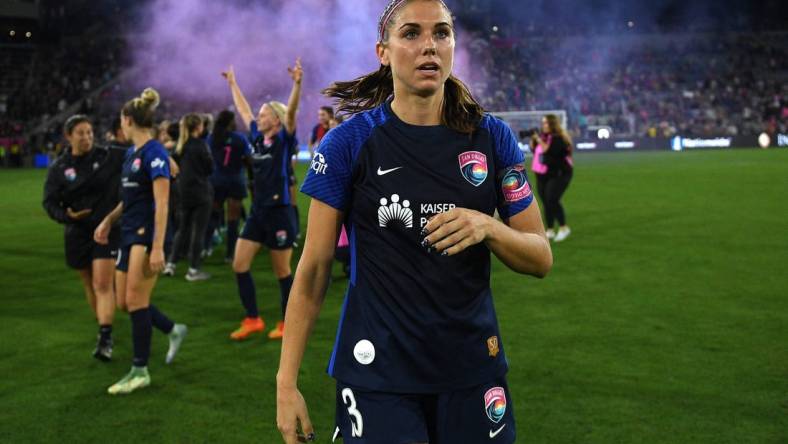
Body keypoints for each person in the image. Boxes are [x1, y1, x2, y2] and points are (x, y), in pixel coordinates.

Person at [275, 1, 553, 443]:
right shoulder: (348, 143)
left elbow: (540, 256)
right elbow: (312, 272)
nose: (429, 46)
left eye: (441, 33)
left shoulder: (492, 137)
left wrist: (489, 227)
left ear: (453, 45)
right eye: (411, 34)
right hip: (377, 376)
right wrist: (285, 384)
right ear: (382, 51)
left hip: (472, 371)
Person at [95, 88, 187, 395]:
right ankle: (173, 329)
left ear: (128, 120)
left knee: (135, 301)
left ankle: (140, 370)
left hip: (148, 236)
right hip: (129, 231)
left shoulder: (154, 153)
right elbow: (130, 199)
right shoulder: (132, 155)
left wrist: (158, 246)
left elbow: (162, 203)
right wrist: (109, 220)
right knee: (124, 302)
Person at [222, 60, 302, 341]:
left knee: (282, 271)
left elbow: (292, 114)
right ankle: (253, 318)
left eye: (264, 113)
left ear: (276, 120)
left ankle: (288, 323)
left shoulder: (284, 140)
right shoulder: (257, 139)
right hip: (257, 212)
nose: (259, 116)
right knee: (239, 264)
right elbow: (243, 111)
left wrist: (297, 84)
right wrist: (233, 83)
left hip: (280, 212)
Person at [42, 115, 125, 361]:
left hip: (106, 230)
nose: (87, 137)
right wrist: (67, 216)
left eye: (89, 132)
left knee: (102, 284)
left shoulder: (108, 156)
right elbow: (49, 202)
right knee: (90, 283)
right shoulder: (59, 168)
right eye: (81, 133)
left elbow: (139, 151)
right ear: (68, 136)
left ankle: (105, 338)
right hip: (77, 233)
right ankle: (103, 323)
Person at [163, 113, 214, 281]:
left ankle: (171, 264)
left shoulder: (180, 146)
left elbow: (171, 161)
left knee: (182, 229)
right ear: (198, 127)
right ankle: (193, 270)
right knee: (197, 232)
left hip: (183, 193)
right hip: (201, 193)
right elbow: (209, 169)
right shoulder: (201, 145)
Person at [207, 110, 253, 262]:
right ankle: (230, 253)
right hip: (235, 180)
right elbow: (248, 159)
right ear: (229, 122)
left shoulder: (211, 138)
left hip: (216, 180)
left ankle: (206, 247)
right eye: (234, 120)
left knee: (213, 214)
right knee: (233, 218)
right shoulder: (239, 138)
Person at [533, 115, 573, 242]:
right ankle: (549, 229)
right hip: (544, 173)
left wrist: (538, 139)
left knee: (552, 199)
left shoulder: (558, 138)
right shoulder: (544, 137)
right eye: (543, 122)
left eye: (546, 123)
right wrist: (533, 140)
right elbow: (535, 150)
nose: (543, 125)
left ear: (552, 124)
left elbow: (550, 151)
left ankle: (563, 227)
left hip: (560, 173)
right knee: (546, 201)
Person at [529, 131, 550, 238]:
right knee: (544, 198)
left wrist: (538, 139)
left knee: (549, 199)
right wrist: (533, 139)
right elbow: (533, 149)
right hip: (538, 171)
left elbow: (546, 149)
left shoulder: (548, 141)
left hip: (546, 171)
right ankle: (549, 225)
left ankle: (554, 227)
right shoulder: (539, 142)